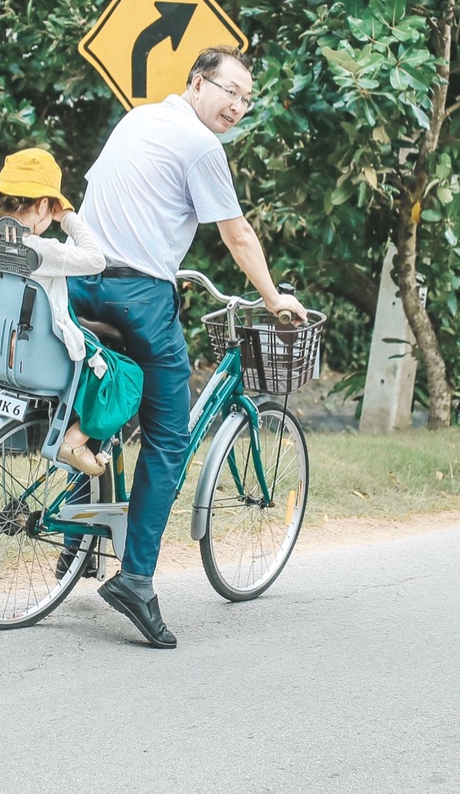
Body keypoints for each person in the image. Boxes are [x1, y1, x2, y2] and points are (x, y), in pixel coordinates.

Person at [70, 46, 307, 649]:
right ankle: (138, 582)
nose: (237, 106)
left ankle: (77, 533)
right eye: (229, 91)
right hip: (136, 297)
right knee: (171, 434)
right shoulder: (202, 146)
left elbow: (104, 194)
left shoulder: (138, 118)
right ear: (198, 83)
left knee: (108, 392)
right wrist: (274, 297)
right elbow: (236, 233)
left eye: (247, 99)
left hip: (79, 284)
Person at [0, 148, 111, 476]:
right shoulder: (46, 251)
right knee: (126, 375)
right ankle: (75, 439)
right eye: (50, 207)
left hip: (0, 358)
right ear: (42, 206)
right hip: (44, 361)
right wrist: (67, 216)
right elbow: (96, 259)